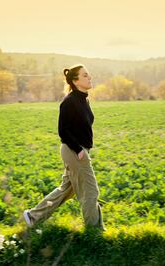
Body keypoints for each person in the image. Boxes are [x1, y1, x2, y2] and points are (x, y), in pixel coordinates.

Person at [23, 64, 105, 231]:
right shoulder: (69, 102)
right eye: (85, 75)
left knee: (66, 190)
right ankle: (94, 231)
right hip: (74, 151)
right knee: (90, 191)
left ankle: (33, 216)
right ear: (75, 81)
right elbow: (63, 130)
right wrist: (79, 149)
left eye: (89, 75)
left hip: (78, 150)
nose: (90, 78)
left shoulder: (84, 99)